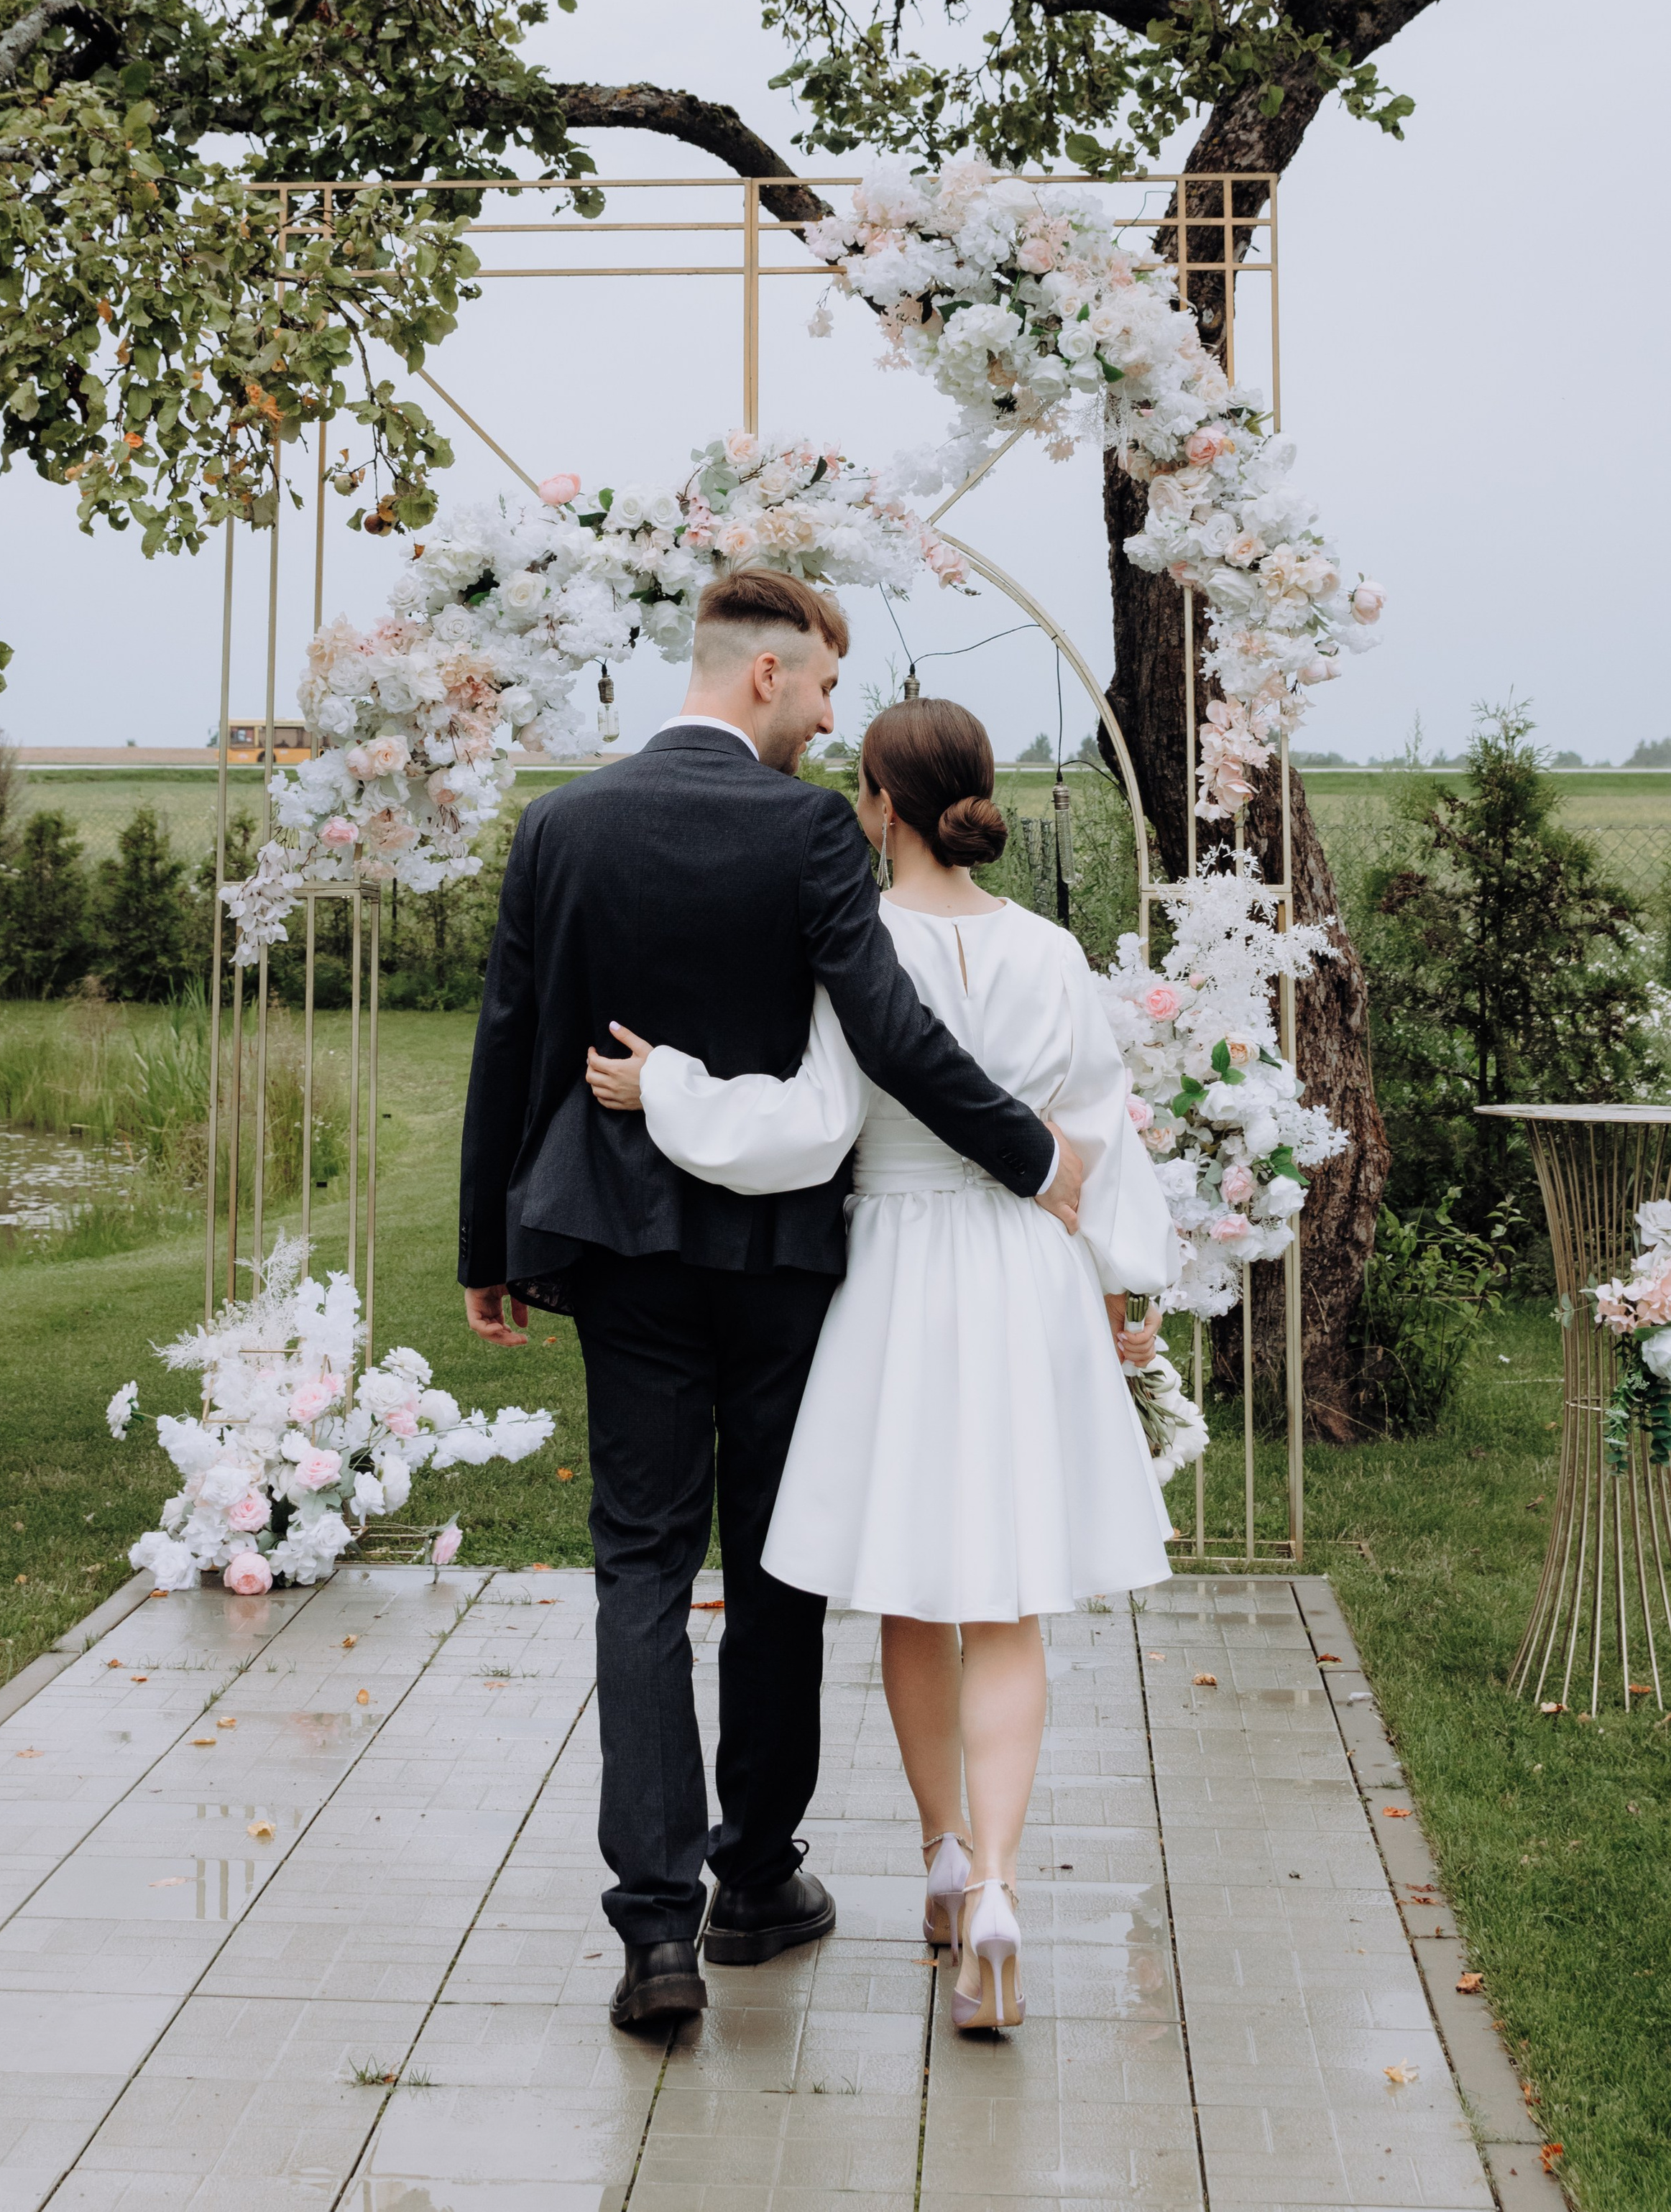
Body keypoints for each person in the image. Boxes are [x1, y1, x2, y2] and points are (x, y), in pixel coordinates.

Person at [459, 573, 1085, 2030]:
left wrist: (487, 1246)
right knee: (776, 1562)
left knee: (638, 1565)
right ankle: (754, 1883)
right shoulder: (807, 829)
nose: (823, 721)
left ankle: (654, 1932)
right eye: (815, 694)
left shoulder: (560, 825)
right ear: (762, 678)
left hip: (613, 1244)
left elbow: (513, 1038)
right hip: (780, 1254)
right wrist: (1033, 1157)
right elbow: (884, 1028)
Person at [586, 694, 1178, 2032]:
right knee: (1012, 1594)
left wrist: (663, 1088)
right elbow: (1096, 1140)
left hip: (902, 1272)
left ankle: (943, 1861)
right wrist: (1112, 1285)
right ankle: (1007, 1889)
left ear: (876, 801)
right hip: (1023, 1267)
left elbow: (808, 1125)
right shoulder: (1050, 949)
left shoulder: (859, 939)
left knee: (917, 1588)